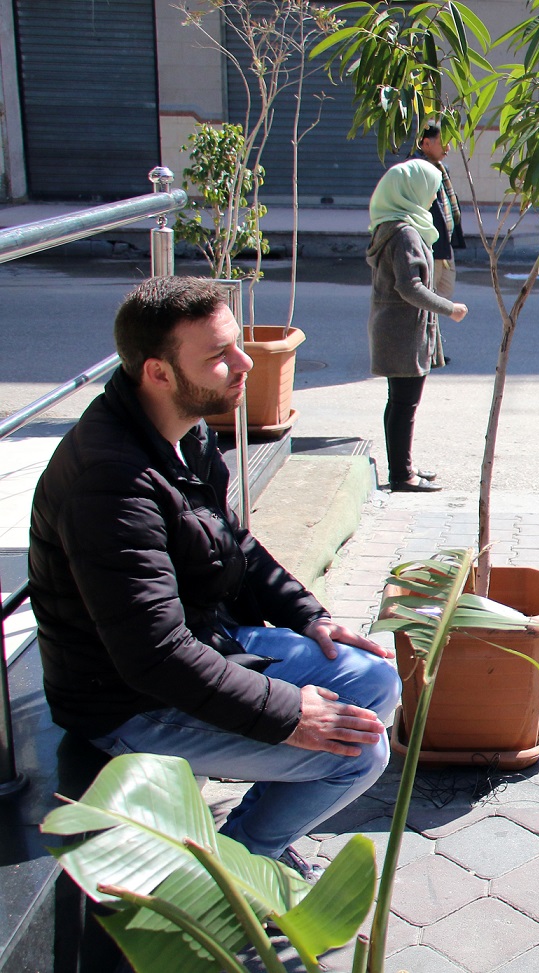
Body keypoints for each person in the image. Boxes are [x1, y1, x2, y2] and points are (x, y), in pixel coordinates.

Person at [28, 277, 402, 874]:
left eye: (237, 344)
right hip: (126, 703)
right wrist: (288, 714)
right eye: (219, 356)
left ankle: (250, 837)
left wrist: (309, 615)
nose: (246, 363)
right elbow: (154, 655)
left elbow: (234, 543)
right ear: (158, 372)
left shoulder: (183, 428)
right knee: (357, 754)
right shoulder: (111, 484)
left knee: (376, 679)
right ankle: (241, 867)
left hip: (206, 640)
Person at [367, 159, 469, 494]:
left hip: (395, 327)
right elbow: (409, 287)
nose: (433, 198)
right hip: (402, 331)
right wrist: (449, 308)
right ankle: (402, 475)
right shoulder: (405, 234)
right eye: (431, 190)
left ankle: (403, 467)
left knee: (399, 402)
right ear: (412, 190)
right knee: (404, 404)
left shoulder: (392, 225)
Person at [410, 122, 466, 366]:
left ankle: (431, 350)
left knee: (440, 296)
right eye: (443, 142)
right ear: (426, 143)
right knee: (429, 299)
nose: (448, 148)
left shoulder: (441, 169)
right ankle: (428, 352)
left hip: (444, 245)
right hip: (428, 245)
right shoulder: (417, 171)